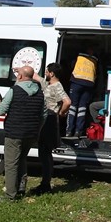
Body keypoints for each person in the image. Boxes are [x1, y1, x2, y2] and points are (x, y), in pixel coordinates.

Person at [0, 64, 45, 201]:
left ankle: (10, 195)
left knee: (11, 164)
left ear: (20, 76)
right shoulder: (40, 92)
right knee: (22, 159)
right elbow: (44, 114)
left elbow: (1, 111)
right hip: (30, 133)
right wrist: (37, 130)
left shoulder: (14, 90)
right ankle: (21, 187)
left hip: (14, 132)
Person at [34, 62, 71, 194]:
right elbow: (36, 77)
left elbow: (67, 101)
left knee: (45, 152)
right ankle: (45, 183)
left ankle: (46, 184)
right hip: (45, 119)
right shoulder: (48, 84)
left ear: (52, 73)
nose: (45, 73)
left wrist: (60, 112)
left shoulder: (57, 86)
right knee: (43, 152)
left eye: (46, 71)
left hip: (50, 119)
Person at [66, 51, 99, 137]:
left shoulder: (78, 56)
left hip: (77, 82)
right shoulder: (95, 59)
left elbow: (71, 66)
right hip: (89, 83)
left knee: (73, 106)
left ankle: (69, 131)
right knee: (82, 108)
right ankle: (78, 131)